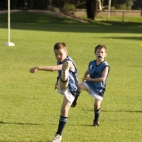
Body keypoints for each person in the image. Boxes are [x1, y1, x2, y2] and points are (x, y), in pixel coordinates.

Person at [30, 42, 80, 142]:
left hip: (72, 89)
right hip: (64, 86)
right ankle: (63, 78)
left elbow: (54, 69)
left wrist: (39, 67)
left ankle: (58, 135)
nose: (58, 56)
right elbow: (58, 70)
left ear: (66, 53)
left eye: (60, 54)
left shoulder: (68, 62)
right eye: (56, 54)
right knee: (63, 76)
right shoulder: (60, 61)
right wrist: (57, 80)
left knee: (64, 110)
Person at [77, 44, 110, 126]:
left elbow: (102, 79)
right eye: (98, 52)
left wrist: (89, 79)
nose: (100, 54)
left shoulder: (105, 66)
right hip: (90, 83)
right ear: (95, 53)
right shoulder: (92, 63)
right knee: (79, 87)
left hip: (99, 88)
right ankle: (74, 101)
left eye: (102, 52)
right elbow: (88, 71)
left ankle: (96, 120)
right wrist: (85, 77)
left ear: (105, 54)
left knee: (96, 104)